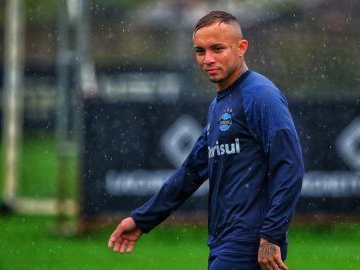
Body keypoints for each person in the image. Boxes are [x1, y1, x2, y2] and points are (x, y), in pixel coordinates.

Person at [108, 10, 304, 270]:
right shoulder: (219, 106)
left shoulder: (260, 95)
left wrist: (270, 236)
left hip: (249, 244)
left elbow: (290, 167)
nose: (208, 59)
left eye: (217, 49)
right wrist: (143, 219)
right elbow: (190, 172)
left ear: (241, 47)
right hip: (224, 242)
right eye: (200, 51)